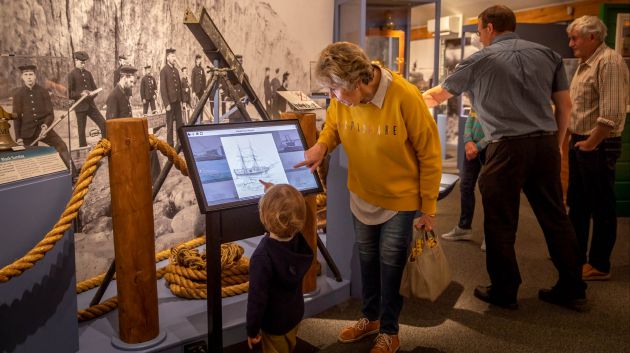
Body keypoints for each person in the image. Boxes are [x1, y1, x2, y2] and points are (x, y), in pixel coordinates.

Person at [423, 5, 587, 312]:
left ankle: (505, 290)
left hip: (506, 148)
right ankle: (573, 287)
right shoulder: (548, 54)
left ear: (488, 27)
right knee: (556, 218)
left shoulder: (480, 59)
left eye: (478, 30)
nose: (479, 36)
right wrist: (557, 144)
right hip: (545, 145)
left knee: (500, 222)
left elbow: (434, 96)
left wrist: (400, 104)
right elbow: (565, 107)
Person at [295, 42, 441, 353]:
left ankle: (389, 330)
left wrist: (428, 207)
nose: (334, 96)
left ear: (358, 81)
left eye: (337, 89)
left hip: (399, 200)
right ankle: (369, 318)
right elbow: (333, 126)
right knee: (367, 259)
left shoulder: (404, 96)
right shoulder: (344, 98)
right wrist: (322, 146)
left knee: (390, 264)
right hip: (362, 193)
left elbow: (430, 154)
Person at [566, 16, 629, 281]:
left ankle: (599, 264)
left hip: (598, 144)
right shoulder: (586, 63)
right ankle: (576, 257)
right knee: (578, 205)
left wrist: (591, 144)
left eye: (575, 38)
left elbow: (612, 113)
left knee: (601, 206)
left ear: (593, 37)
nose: (571, 44)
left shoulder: (609, 61)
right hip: (583, 141)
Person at [246, 182, 314, 353]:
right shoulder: (299, 244)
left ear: (264, 217)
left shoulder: (262, 257)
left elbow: (257, 300)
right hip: (295, 316)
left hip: (274, 325)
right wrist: (275, 193)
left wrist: (252, 330)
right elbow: (290, 213)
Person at [441, 110, 487, 251]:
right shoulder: (477, 97)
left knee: (490, 191)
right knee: (466, 186)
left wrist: (477, 147)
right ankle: (464, 227)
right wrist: (468, 142)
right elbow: (470, 119)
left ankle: (491, 235)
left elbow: (497, 128)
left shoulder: (500, 98)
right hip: (471, 147)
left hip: (491, 146)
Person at [12, 64, 71, 168]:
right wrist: (18, 138)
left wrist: (45, 126)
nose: (29, 77)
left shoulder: (43, 92)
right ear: (22, 77)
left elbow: (50, 114)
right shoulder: (18, 94)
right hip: (27, 132)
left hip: (44, 130)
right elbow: (16, 118)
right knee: (30, 159)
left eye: (31, 74)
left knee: (61, 145)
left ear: (35, 76)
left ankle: (72, 175)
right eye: (26, 74)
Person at [67, 51, 107, 147]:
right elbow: (69, 93)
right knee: (81, 131)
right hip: (80, 107)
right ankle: (83, 150)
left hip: (91, 105)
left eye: (84, 62)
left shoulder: (88, 74)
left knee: (103, 124)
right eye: (81, 62)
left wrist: (91, 94)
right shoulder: (71, 74)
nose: (83, 64)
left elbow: (95, 89)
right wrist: (81, 94)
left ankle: (105, 145)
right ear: (76, 61)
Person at [160, 48, 182, 146]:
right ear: (168, 57)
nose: (174, 58)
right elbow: (163, 89)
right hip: (170, 102)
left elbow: (180, 87)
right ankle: (170, 145)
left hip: (177, 102)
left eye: (175, 56)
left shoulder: (176, 70)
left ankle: (179, 143)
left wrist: (182, 100)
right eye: (172, 56)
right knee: (169, 125)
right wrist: (166, 103)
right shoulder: (164, 71)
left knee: (179, 123)